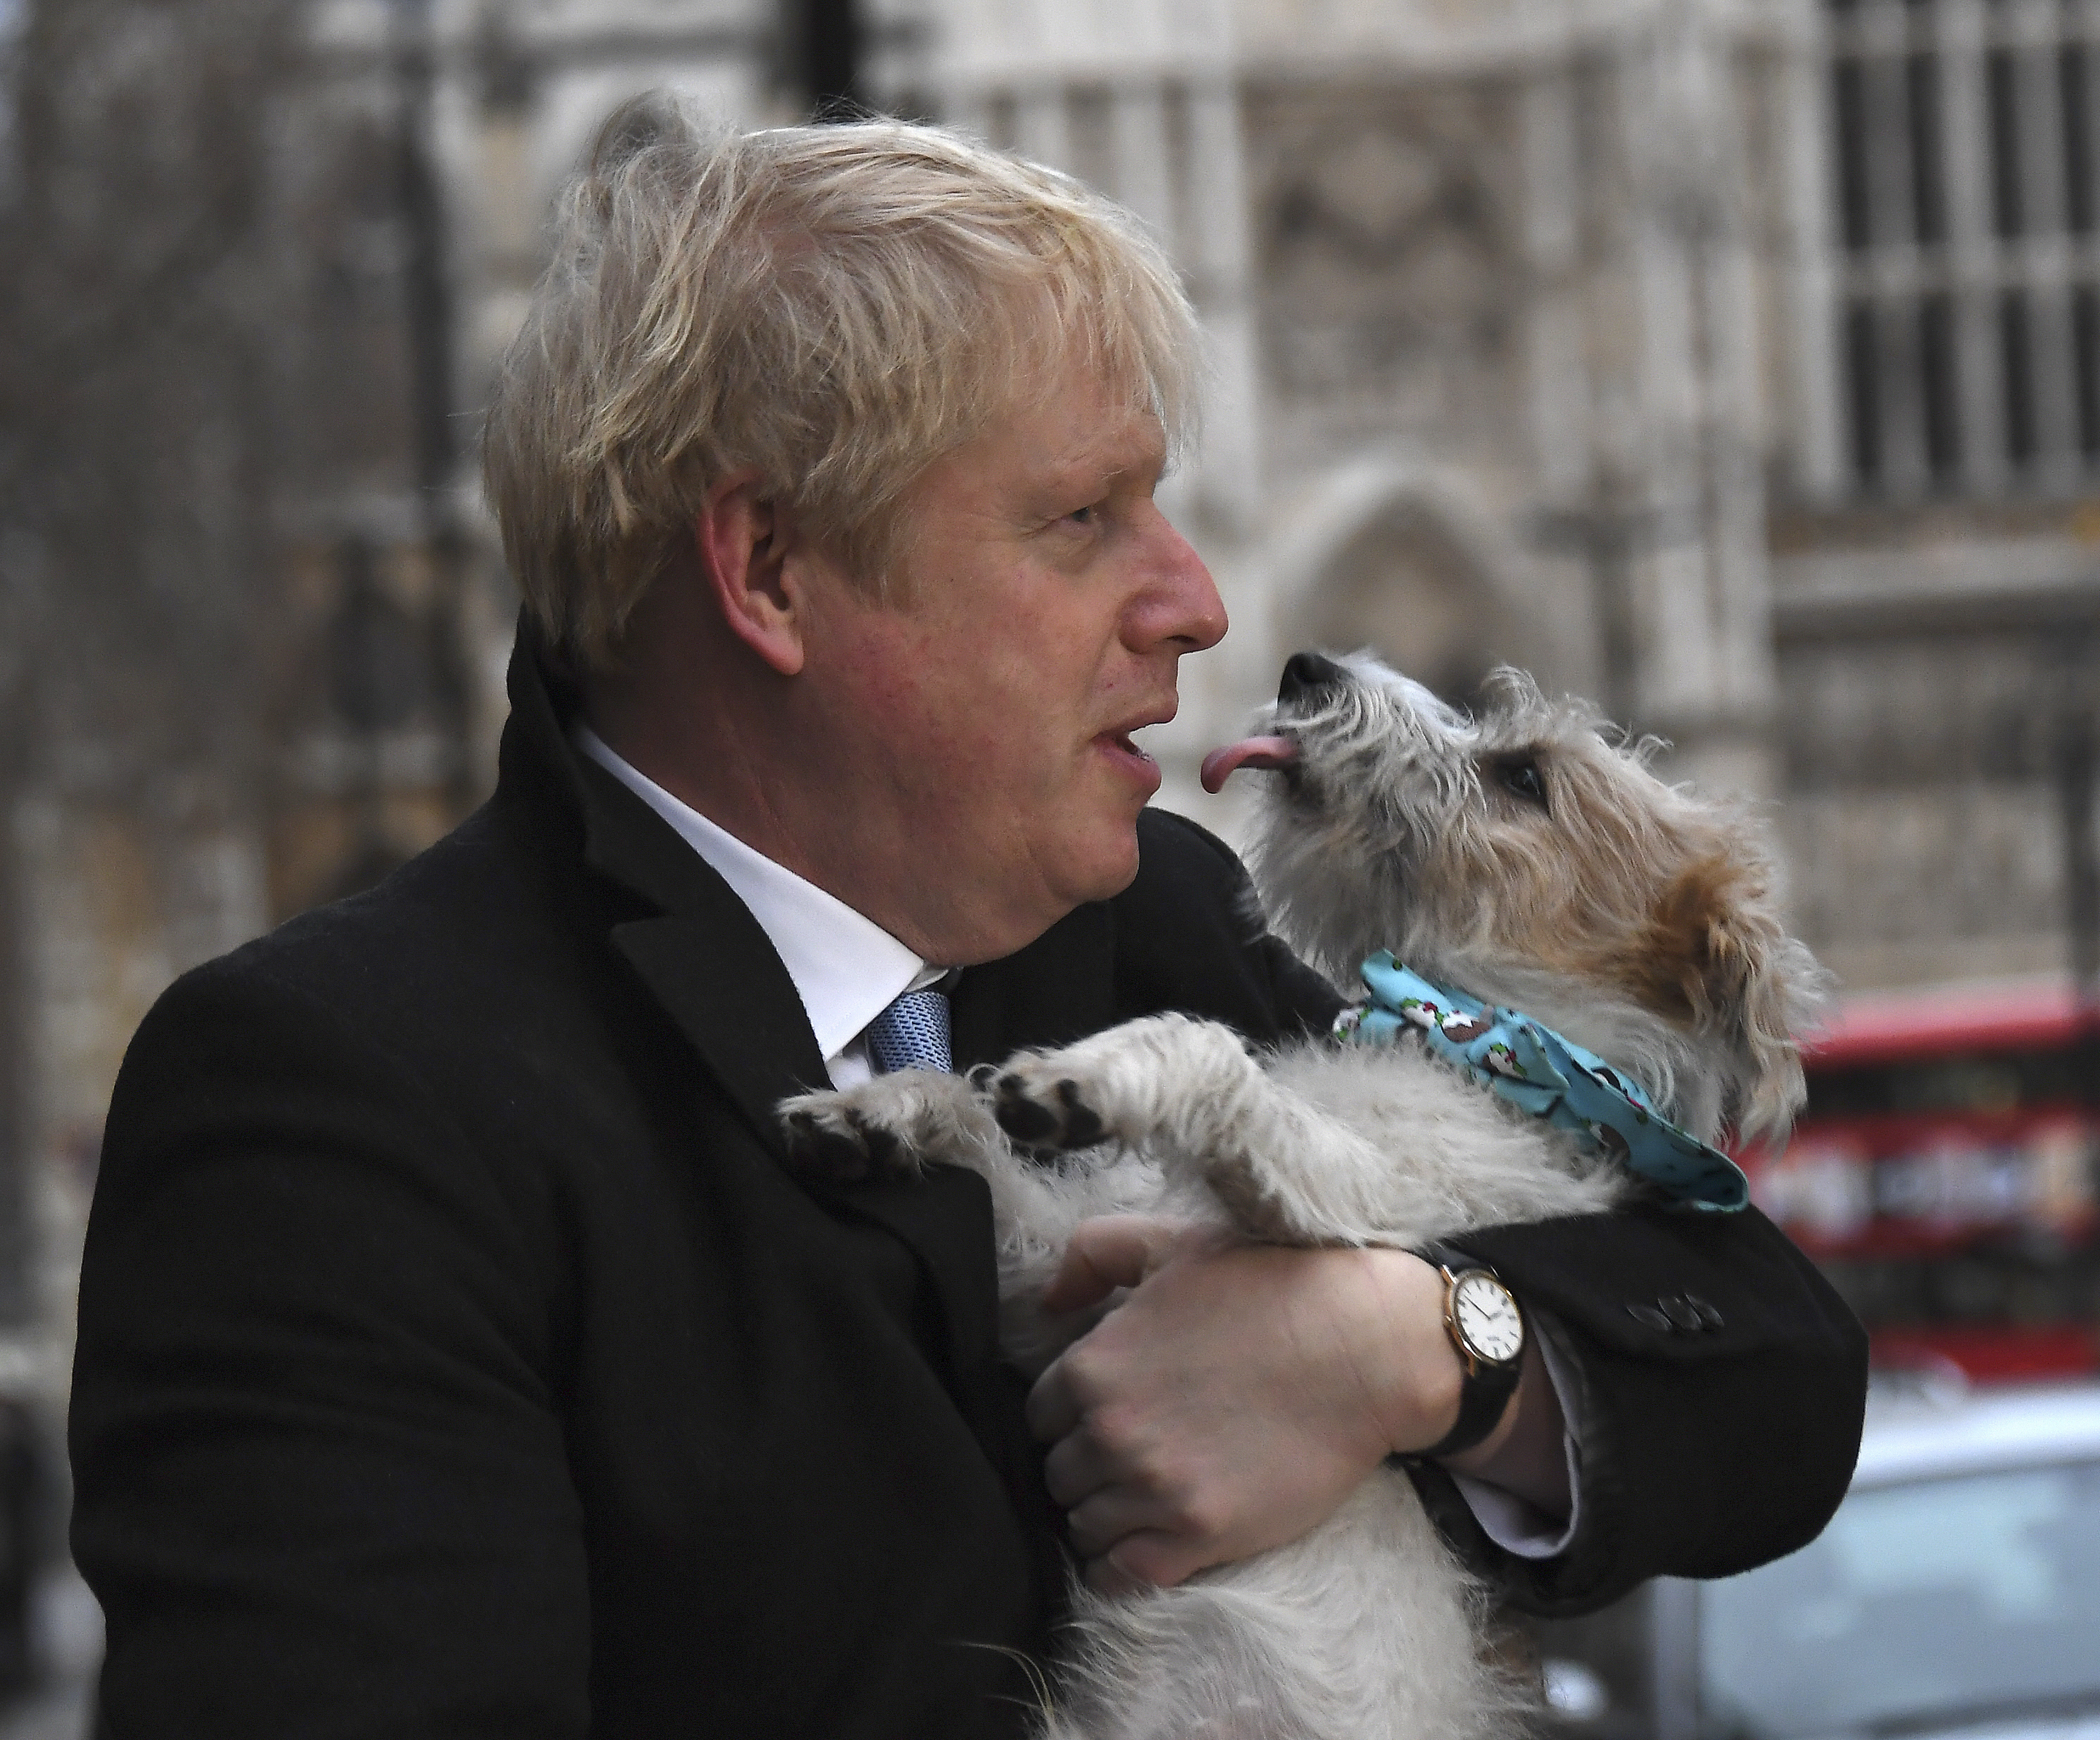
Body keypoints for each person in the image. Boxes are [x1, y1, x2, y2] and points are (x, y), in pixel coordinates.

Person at [69, 99, 1867, 1738]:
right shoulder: (337, 1111)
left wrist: (1414, 1351)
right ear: (770, 570)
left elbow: (1771, 1368)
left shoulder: (1174, 920)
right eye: (1084, 517)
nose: (1193, 596)